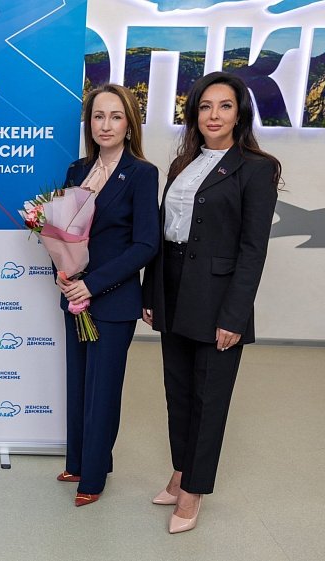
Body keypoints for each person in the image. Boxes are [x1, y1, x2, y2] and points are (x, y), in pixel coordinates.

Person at [142, 71, 281, 534]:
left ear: (239, 114)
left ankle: (194, 491)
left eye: (224, 106)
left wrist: (234, 316)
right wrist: (151, 292)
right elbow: (163, 234)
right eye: (205, 106)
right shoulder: (183, 164)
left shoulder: (257, 168)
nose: (214, 115)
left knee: (209, 397)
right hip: (173, 286)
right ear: (194, 114)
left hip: (218, 297)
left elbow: (253, 250)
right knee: (177, 391)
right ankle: (181, 472)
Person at [55, 84, 159, 507]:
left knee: (103, 390)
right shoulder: (77, 170)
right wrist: (62, 271)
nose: (106, 125)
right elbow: (61, 231)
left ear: (129, 124)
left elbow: (145, 244)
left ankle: (94, 476)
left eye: (116, 116)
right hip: (74, 295)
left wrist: (93, 284)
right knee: (78, 384)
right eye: (98, 116)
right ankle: (78, 461)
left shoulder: (142, 174)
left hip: (113, 301)